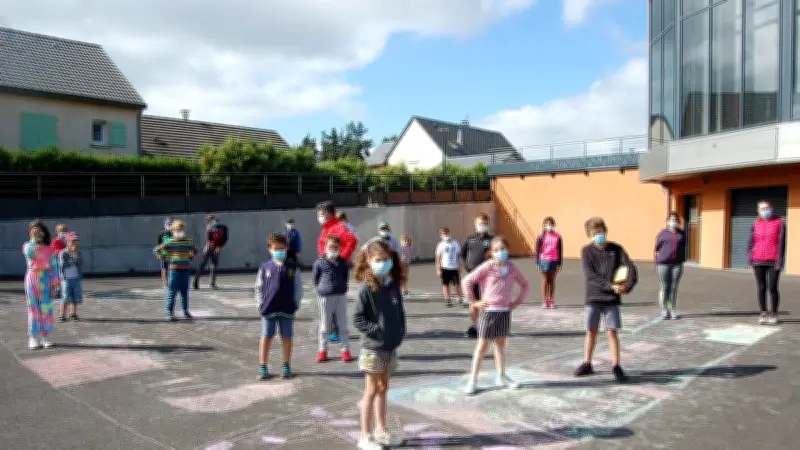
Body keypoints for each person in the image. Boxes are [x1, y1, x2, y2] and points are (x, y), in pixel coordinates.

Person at [352, 239, 407, 450]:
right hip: (373, 348)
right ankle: (365, 436)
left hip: (390, 348)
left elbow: (399, 312)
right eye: (378, 260)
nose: (383, 263)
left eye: (386, 259)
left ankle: (381, 431)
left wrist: (400, 331)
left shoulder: (392, 285)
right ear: (368, 260)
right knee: (371, 390)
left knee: (384, 388)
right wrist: (378, 331)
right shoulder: (366, 288)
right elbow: (357, 319)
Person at [461, 236, 529, 395]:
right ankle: (473, 380)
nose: (500, 252)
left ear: (508, 250)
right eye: (496, 250)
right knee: (482, 346)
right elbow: (467, 281)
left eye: (503, 249)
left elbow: (525, 285)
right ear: (491, 253)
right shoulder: (487, 267)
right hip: (488, 312)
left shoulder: (512, 268)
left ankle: (501, 376)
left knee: (500, 345)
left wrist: (517, 302)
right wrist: (474, 302)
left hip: (504, 312)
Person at [575, 217, 638, 383]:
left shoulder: (616, 249)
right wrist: (611, 286)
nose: (598, 235)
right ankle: (587, 362)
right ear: (589, 235)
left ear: (605, 230)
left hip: (612, 300)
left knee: (612, 332)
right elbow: (591, 276)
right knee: (591, 331)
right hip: (593, 297)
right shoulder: (586, 251)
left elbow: (630, 267)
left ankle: (616, 366)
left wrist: (627, 286)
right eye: (594, 233)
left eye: (600, 232)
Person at [255, 233, 303, 380]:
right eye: (276, 248)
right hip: (269, 308)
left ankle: (286, 364)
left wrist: (295, 303)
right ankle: (263, 366)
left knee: (287, 336)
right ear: (270, 249)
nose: (279, 251)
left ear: (287, 248)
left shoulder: (292, 267)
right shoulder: (265, 267)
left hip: (287, 308)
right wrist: (260, 304)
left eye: (282, 248)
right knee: (266, 336)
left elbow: (298, 287)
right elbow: (259, 287)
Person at [316, 201, 358, 343]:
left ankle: (336, 330)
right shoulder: (327, 228)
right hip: (326, 265)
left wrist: (342, 258)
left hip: (335, 266)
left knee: (335, 296)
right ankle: (333, 329)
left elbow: (352, 240)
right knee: (328, 296)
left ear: (329, 214)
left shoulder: (338, 227)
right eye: (319, 214)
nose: (319, 217)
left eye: (321, 214)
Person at [312, 235, 352, 363]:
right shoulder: (319, 262)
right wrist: (322, 288)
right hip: (325, 297)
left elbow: (345, 277)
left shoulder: (343, 263)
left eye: (336, 247)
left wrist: (341, 287)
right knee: (324, 325)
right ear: (325, 247)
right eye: (330, 247)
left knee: (343, 324)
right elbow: (315, 279)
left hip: (340, 295)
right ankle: (322, 350)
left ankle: (345, 350)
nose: (333, 249)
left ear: (340, 248)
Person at [748, 200, 787, 325]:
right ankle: (763, 313)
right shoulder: (755, 224)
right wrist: (750, 258)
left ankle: (774, 314)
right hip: (758, 260)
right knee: (761, 287)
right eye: (762, 209)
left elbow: (782, 244)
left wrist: (780, 262)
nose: (765, 211)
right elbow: (751, 242)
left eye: (767, 208)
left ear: (772, 208)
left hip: (773, 261)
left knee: (773, 288)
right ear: (758, 211)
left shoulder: (779, 223)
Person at [23, 220, 59, 350]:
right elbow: (30, 254)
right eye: (32, 229)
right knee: (33, 309)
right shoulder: (27, 245)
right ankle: (32, 337)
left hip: (46, 279)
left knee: (46, 309)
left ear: (43, 232)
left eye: (38, 229)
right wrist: (33, 240)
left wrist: (55, 285)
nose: (35, 231)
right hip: (32, 278)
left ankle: (46, 336)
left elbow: (55, 267)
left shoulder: (50, 249)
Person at [154, 220, 197, 322]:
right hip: (174, 271)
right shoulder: (170, 242)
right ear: (173, 231)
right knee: (172, 291)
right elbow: (156, 249)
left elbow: (195, 249)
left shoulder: (188, 241)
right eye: (178, 230)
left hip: (185, 270)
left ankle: (185, 311)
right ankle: (169, 312)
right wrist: (163, 256)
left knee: (184, 292)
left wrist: (191, 256)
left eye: (182, 229)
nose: (180, 232)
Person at [461, 212, 494, 338]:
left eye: (485, 224)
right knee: (473, 302)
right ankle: (474, 326)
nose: (483, 226)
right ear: (475, 225)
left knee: (486, 302)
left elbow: (496, 255)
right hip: (473, 276)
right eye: (480, 224)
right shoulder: (469, 239)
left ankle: (486, 325)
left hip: (488, 277)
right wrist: (467, 267)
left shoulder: (492, 240)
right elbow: (462, 255)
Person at [654, 212, 686, 320]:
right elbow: (657, 248)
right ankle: (664, 310)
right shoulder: (662, 234)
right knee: (665, 286)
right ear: (667, 221)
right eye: (672, 219)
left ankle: (672, 309)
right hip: (663, 264)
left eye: (676, 220)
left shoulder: (681, 234)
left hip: (677, 264)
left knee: (673, 287)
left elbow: (683, 246)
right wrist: (658, 260)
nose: (674, 221)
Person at [194, 214, 228, 290]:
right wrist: (209, 229)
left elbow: (225, 238)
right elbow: (210, 239)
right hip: (209, 247)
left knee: (214, 265)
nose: (211, 221)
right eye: (209, 220)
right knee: (202, 264)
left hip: (217, 247)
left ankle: (212, 283)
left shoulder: (223, 227)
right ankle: (196, 281)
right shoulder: (209, 228)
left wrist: (219, 246)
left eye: (212, 219)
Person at [535, 216, 563, 309]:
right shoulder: (541, 236)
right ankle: (545, 300)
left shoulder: (558, 237)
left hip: (554, 260)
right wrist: (537, 263)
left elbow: (560, 250)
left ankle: (551, 300)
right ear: (543, 225)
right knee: (545, 280)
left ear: (554, 225)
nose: (549, 226)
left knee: (552, 280)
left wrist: (559, 263)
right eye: (547, 224)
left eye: (551, 224)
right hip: (544, 260)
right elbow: (538, 250)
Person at [435, 227, 464, 307]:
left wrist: (460, 265)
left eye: (447, 233)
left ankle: (459, 298)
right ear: (441, 235)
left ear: (450, 233)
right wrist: (438, 269)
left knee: (457, 284)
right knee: (446, 284)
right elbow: (438, 258)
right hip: (445, 268)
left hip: (454, 267)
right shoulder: (440, 245)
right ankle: (447, 299)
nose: (446, 235)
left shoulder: (455, 243)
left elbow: (459, 255)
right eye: (443, 234)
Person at [58, 233, 83, 322]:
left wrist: (76, 256)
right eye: (72, 241)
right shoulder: (63, 253)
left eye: (76, 241)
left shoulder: (79, 253)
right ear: (67, 242)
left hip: (76, 278)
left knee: (75, 297)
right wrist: (72, 258)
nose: (75, 243)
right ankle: (62, 314)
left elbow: (81, 263)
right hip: (66, 279)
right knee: (66, 296)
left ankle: (73, 313)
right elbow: (63, 265)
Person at [157, 217, 173, 288]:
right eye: (168, 224)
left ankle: (171, 282)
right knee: (164, 269)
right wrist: (159, 253)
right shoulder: (161, 234)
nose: (169, 226)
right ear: (165, 225)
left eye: (171, 224)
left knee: (171, 268)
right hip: (164, 254)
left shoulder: (174, 234)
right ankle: (165, 282)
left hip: (172, 255)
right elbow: (158, 245)